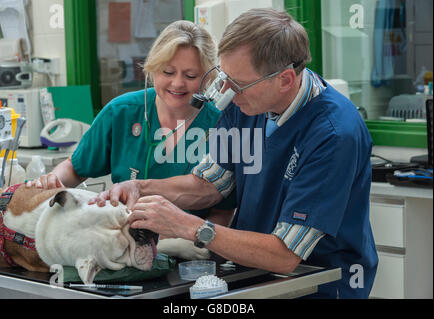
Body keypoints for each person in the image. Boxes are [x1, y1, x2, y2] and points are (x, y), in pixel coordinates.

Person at [91, 9, 378, 299]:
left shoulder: (332, 134)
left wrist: (187, 225)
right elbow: (211, 184)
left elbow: (285, 254)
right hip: (257, 272)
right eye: (224, 76)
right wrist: (140, 188)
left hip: (320, 281)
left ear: (285, 80)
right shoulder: (244, 105)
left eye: (238, 83)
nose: (226, 91)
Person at [27, 20, 235, 227]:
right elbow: (76, 167)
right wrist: (53, 182)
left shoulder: (221, 124)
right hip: (124, 236)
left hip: (186, 247)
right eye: (168, 72)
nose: (178, 83)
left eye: (190, 75)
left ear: (209, 77)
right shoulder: (122, 112)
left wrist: (197, 244)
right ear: (152, 69)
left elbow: (223, 211)